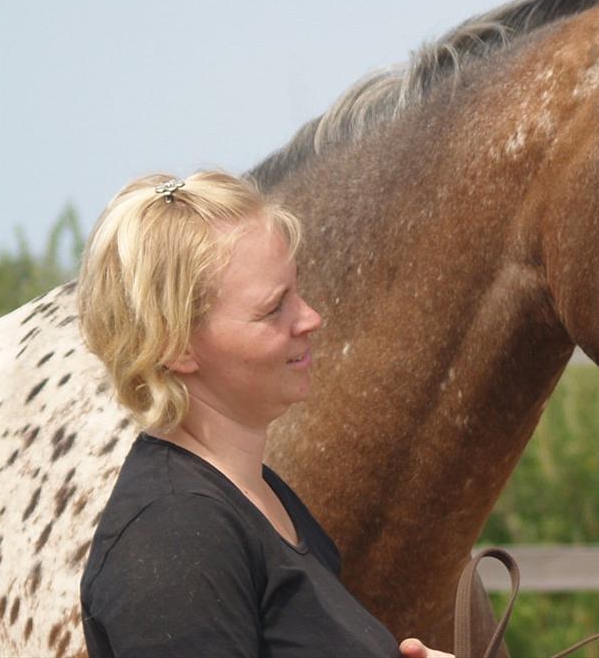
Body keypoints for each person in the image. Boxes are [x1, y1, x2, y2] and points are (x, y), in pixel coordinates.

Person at [78, 171, 451, 658]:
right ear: (177, 346)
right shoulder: (174, 540)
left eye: (296, 291)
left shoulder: (258, 495)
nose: (311, 318)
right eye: (274, 308)